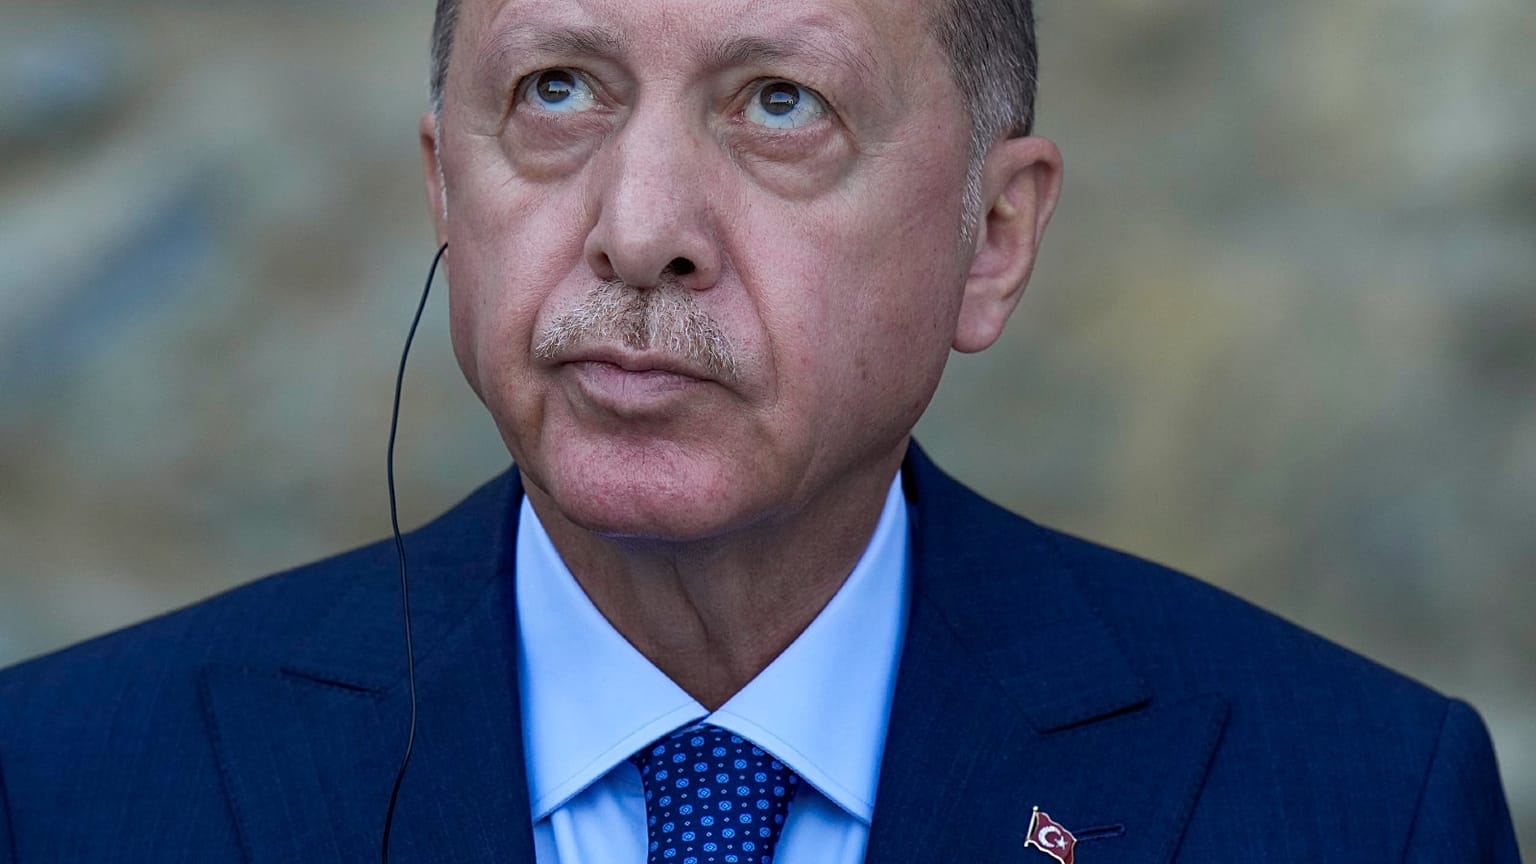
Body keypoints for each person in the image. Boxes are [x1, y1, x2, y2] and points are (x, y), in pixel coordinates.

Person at [0, 0, 1522, 860]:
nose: (641, 229)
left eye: (781, 104)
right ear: (443, 191)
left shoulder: (1351, 804)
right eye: (556, 90)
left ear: (991, 238)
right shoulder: (70, 787)